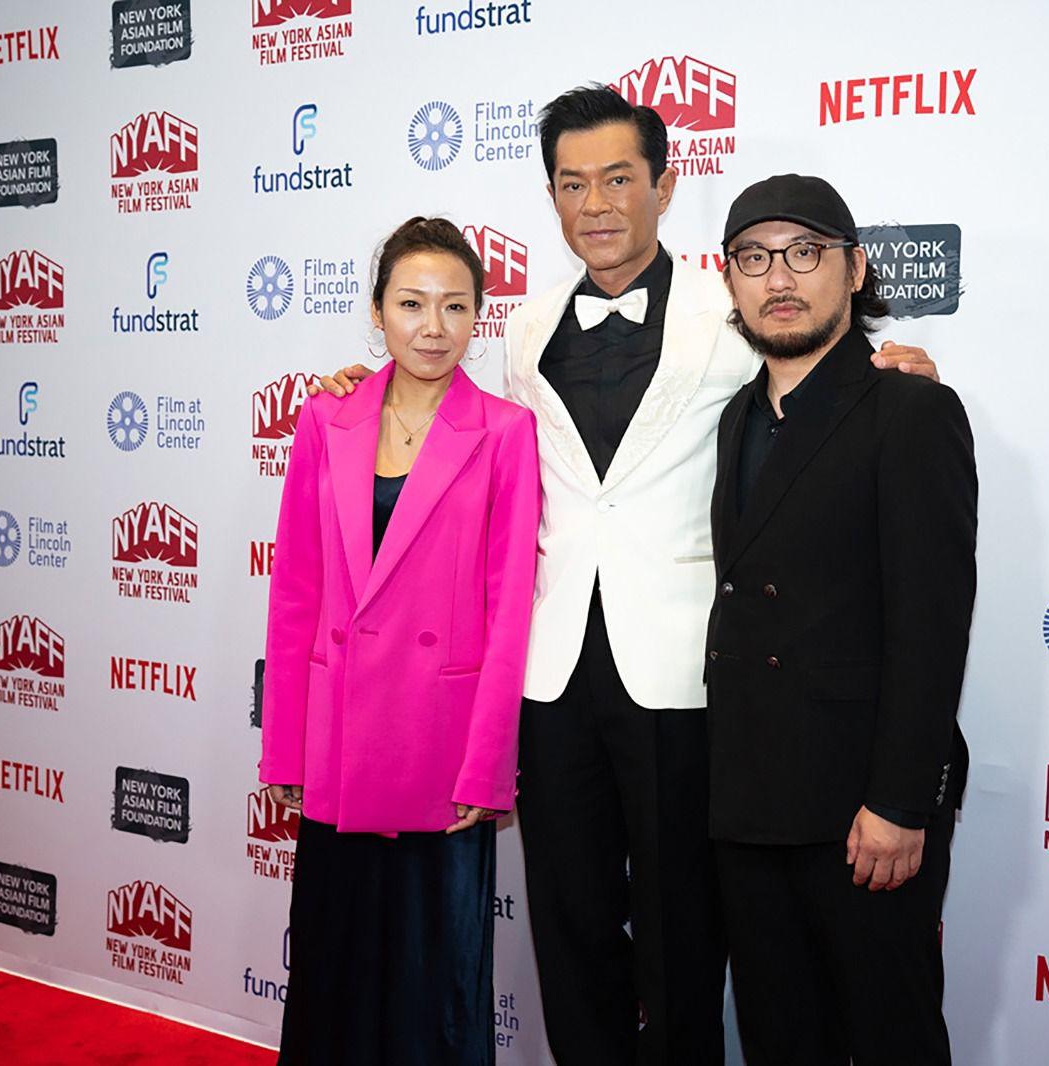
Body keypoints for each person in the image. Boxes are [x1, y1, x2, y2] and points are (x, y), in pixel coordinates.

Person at [312, 86, 940, 1066]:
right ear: (552, 199)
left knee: (685, 932)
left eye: (616, 179)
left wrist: (895, 368)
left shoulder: (731, 305)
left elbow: (819, 368)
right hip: (551, 670)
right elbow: (450, 421)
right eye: (572, 185)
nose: (595, 204)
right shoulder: (522, 329)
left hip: (686, 673)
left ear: (663, 186)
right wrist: (360, 393)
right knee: (569, 927)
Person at [704, 174, 976, 1066]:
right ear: (728, 277)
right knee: (779, 1040)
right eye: (754, 258)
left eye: (805, 252)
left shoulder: (911, 411)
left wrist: (900, 801)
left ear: (855, 270)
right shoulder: (736, 418)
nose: (779, 277)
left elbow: (932, 625)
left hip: (862, 813)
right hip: (750, 803)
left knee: (892, 1037)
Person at [260, 216, 542, 1065]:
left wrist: (487, 766)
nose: (433, 326)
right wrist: (285, 748)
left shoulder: (504, 431)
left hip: (439, 748)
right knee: (335, 969)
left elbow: (509, 608)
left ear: (479, 317)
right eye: (412, 304)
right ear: (378, 311)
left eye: (455, 306)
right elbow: (295, 593)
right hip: (340, 740)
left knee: (434, 987)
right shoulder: (327, 419)